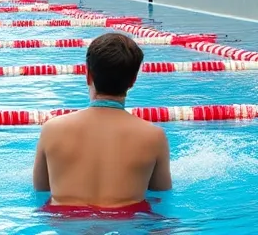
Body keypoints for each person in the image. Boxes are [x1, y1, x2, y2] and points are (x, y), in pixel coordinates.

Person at [33, 33, 170, 215]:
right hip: (129, 224)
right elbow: (161, 193)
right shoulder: (154, 136)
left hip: (65, 223)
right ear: (133, 81)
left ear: (88, 75)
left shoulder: (52, 129)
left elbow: (41, 189)